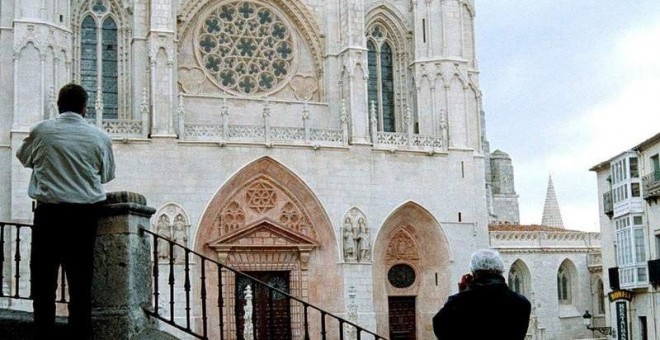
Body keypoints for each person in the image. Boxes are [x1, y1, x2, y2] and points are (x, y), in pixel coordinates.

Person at [16, 83, 116, 339]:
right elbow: (107, 175)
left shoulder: (42, 131)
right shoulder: (100, 137)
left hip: (49, 215)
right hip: (84, 218)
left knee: (43, 284)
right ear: (85, 108)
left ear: (58, 105)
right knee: (81, 286)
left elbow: (23, 157)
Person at [433, 248, 531, 340]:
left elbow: (441, 329)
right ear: (501, 271)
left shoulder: (457, 303)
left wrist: (464, 293)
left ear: (474, 273)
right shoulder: (521, 303)